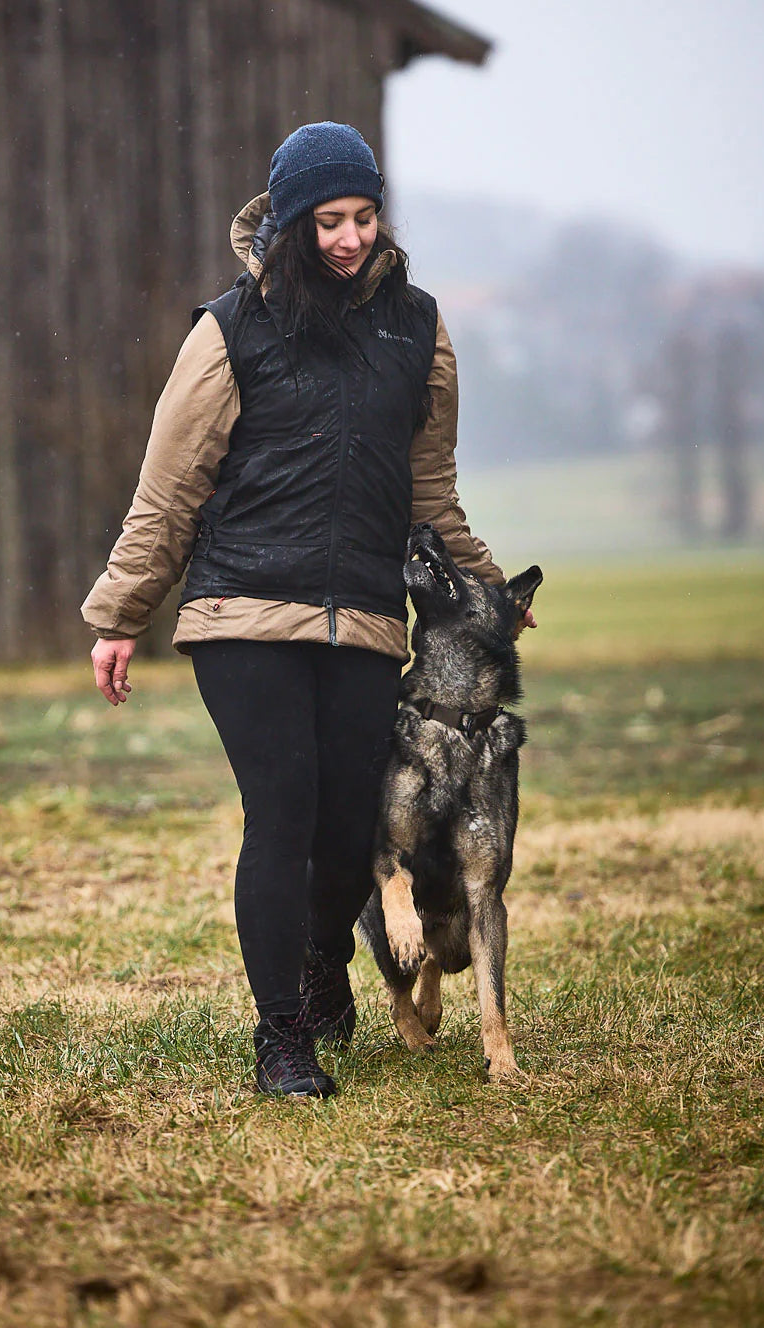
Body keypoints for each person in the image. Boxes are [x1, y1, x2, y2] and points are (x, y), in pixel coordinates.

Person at [81, 121, 534, 1100]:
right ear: (289, 223)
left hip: (366, 618)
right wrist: (121, 613)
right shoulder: (230, 328)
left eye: (362, 215)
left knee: (346, 832)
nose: (347, 236)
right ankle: (280, 1035)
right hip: (239, 610)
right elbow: (169, 489)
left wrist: (487, 588)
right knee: (281, 815)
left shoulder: (414, 327)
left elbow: (429, 492)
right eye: (327, 219)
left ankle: (323, 954)